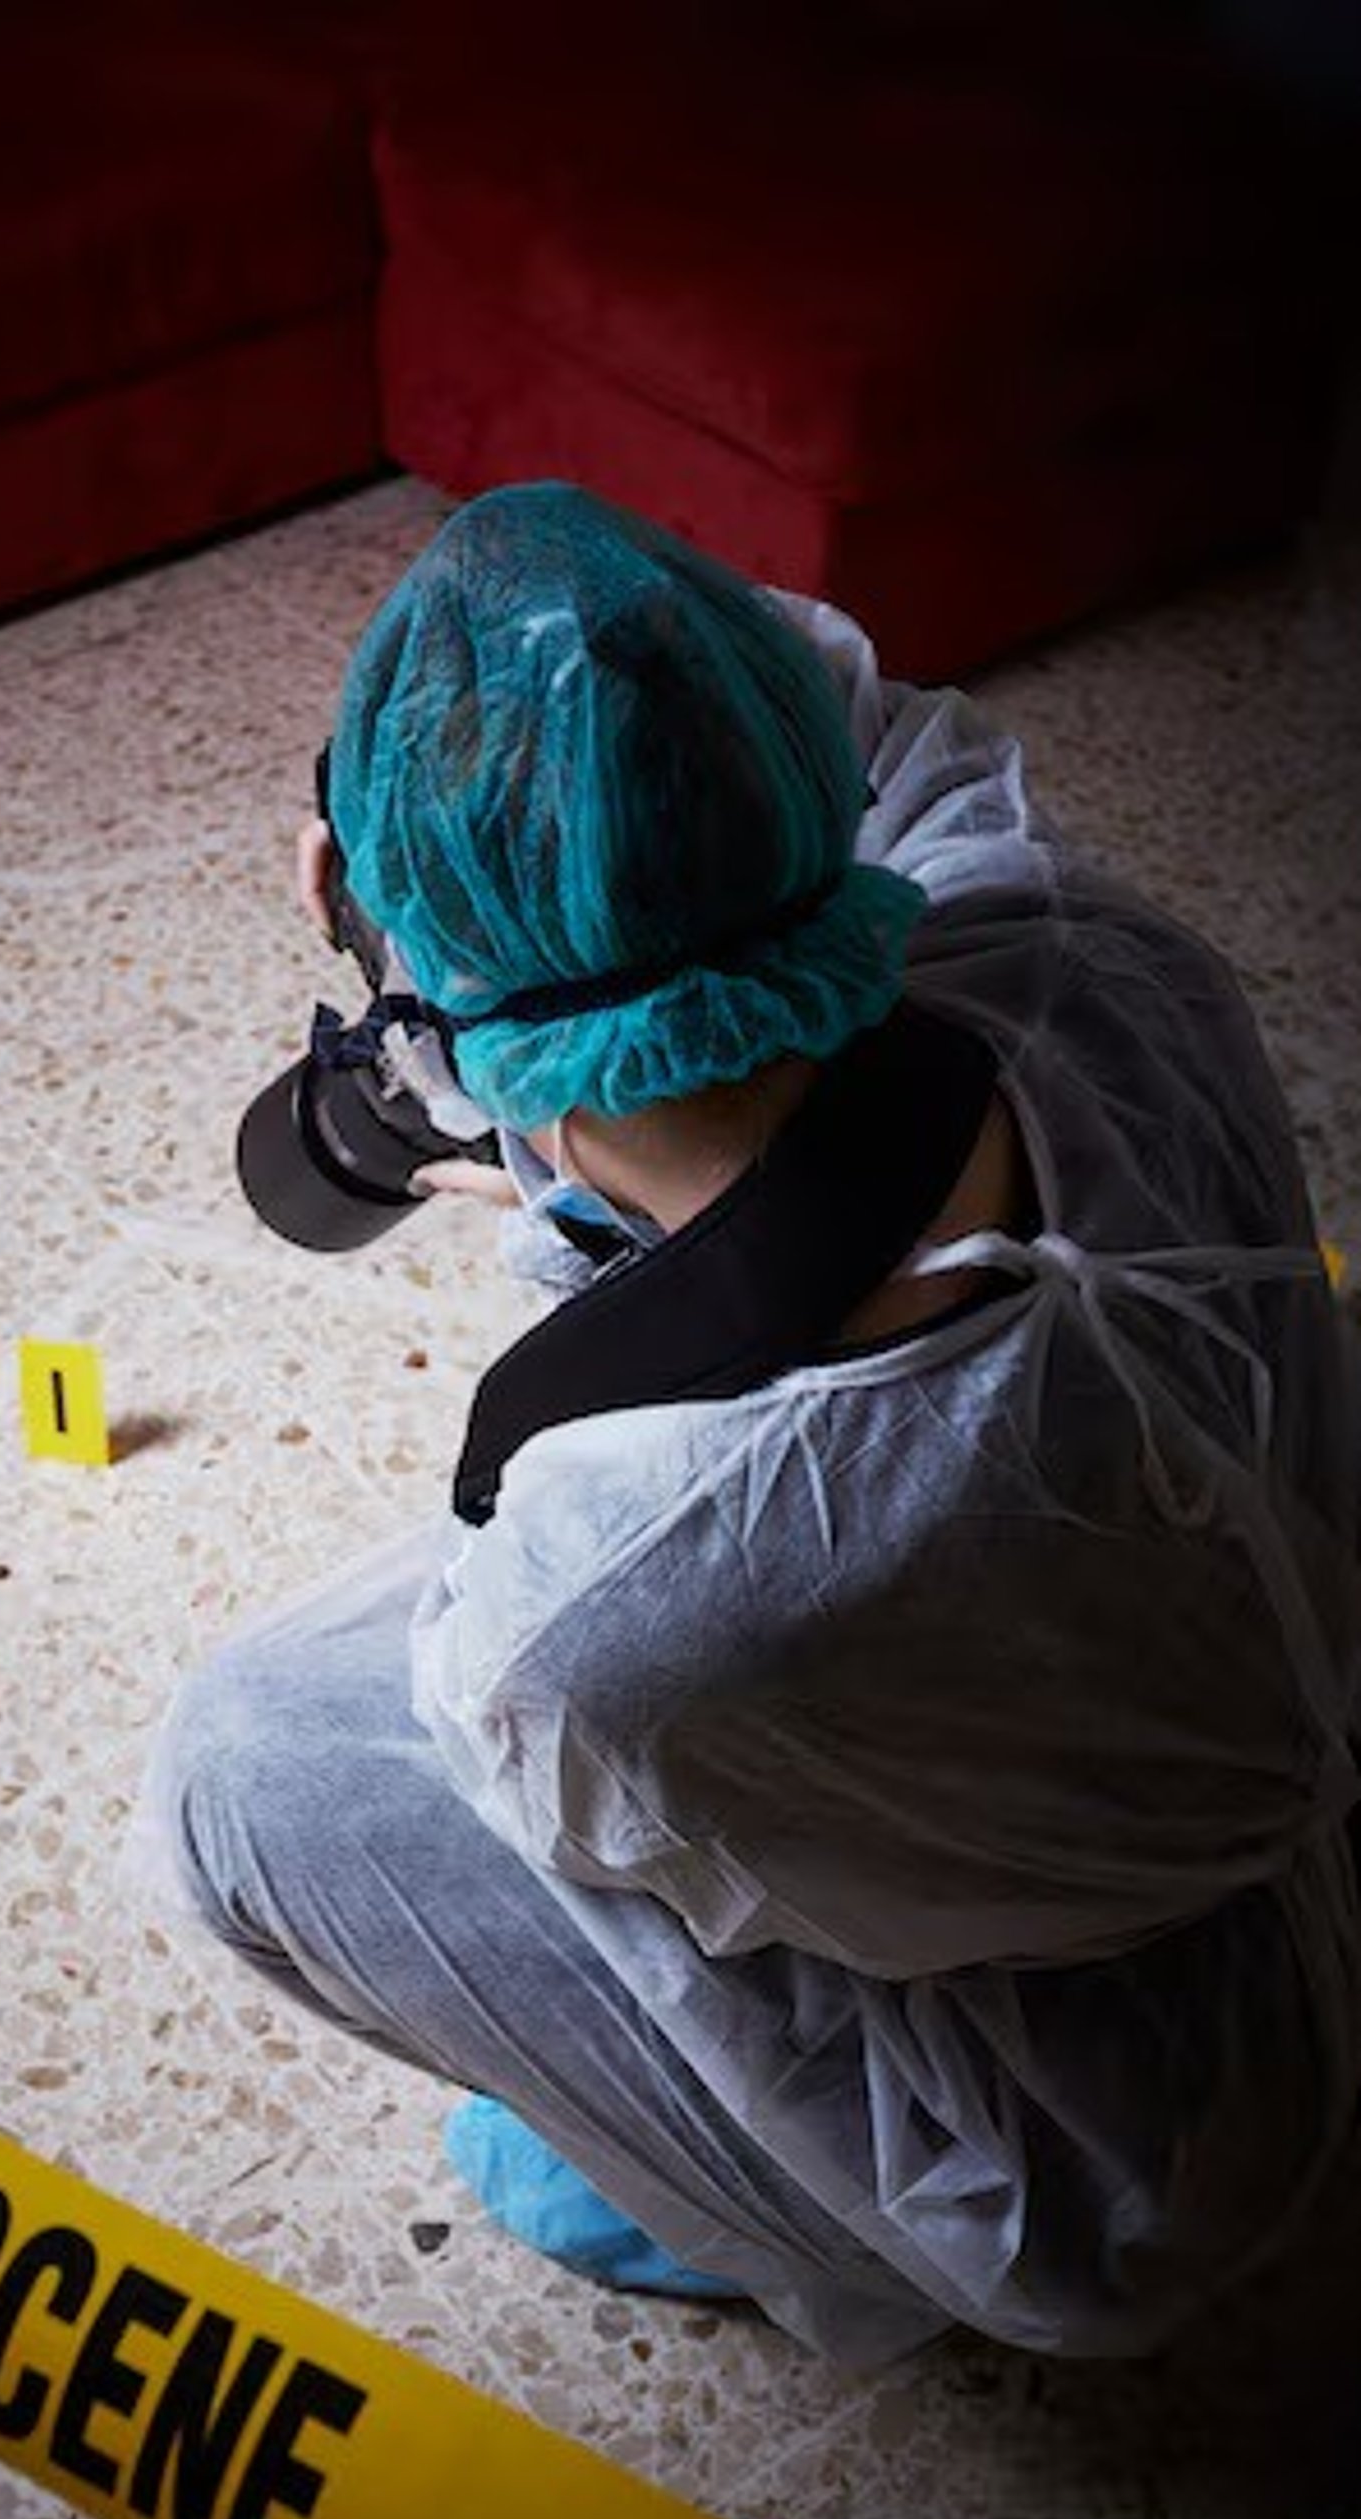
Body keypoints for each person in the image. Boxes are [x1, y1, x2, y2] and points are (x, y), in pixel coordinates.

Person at [142, 481, 1361, 2368]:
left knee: (239, 1775)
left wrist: (549, 1205)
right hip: (1293, 1821)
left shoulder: (602, 1604)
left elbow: (591, 1599)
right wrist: (599, 778)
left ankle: (778, 2217)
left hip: (1104, 2175)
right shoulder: (1102, 958)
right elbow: (812, 698)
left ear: (388, 944)